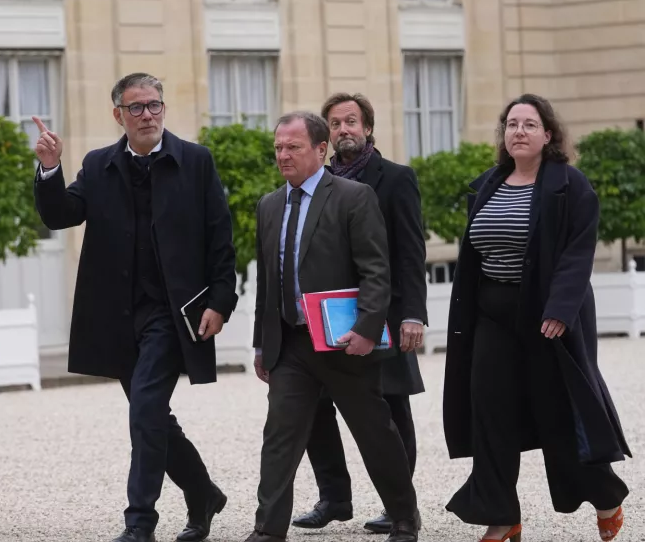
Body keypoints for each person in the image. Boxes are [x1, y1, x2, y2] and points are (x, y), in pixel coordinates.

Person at [33, 72, 238, 542]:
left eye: (154, 105)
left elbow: (219, 240)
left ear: (163, 108)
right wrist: (49, 169)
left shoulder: (196, 161)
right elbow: (60, 214)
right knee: (153, 416)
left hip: (172, 311)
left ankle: (139, 522)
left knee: (145, 409)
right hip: (118, 315)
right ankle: (203, 493)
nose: (147, 114)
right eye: (136, 107)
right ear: (118, 115)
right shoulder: (99, 163)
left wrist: (221, 301)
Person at [443, 94, 630, 542]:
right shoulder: (487, 183)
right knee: (489, 412)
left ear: (548, 134)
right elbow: (474, 254)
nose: (519, 132)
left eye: (529, 124)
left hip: (548, 317)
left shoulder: (571, 184)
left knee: (559, 413)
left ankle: (605, 495)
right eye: (511, 124)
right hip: (492, 316)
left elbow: (577, 253)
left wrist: (560, 310)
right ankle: (502, 517)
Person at [246, 111, 419, 542]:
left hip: (344, 343)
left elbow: (376, 271)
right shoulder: (269, 206)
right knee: (280, 438)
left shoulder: (353, 197)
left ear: (321, 150)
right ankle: (268, 530)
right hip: (290, 344)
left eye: (293, 147)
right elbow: (268, 283)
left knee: (374, 433)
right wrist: (261, 345)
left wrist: (366, 328)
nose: (283, 156)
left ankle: (404, 515)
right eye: (278, 148)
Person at [291, 93, 427, 535]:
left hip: (383, 313)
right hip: (326, 315)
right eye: (334, 123)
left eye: (351, 121)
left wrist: (412, 315)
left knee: (390, 411)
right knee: (315, 407)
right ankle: (334, 497)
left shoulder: (397, 178)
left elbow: (410, 251)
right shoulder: (318, 181)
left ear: (368, 127)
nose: (343, 129)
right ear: (325, 134)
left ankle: (399, 504)